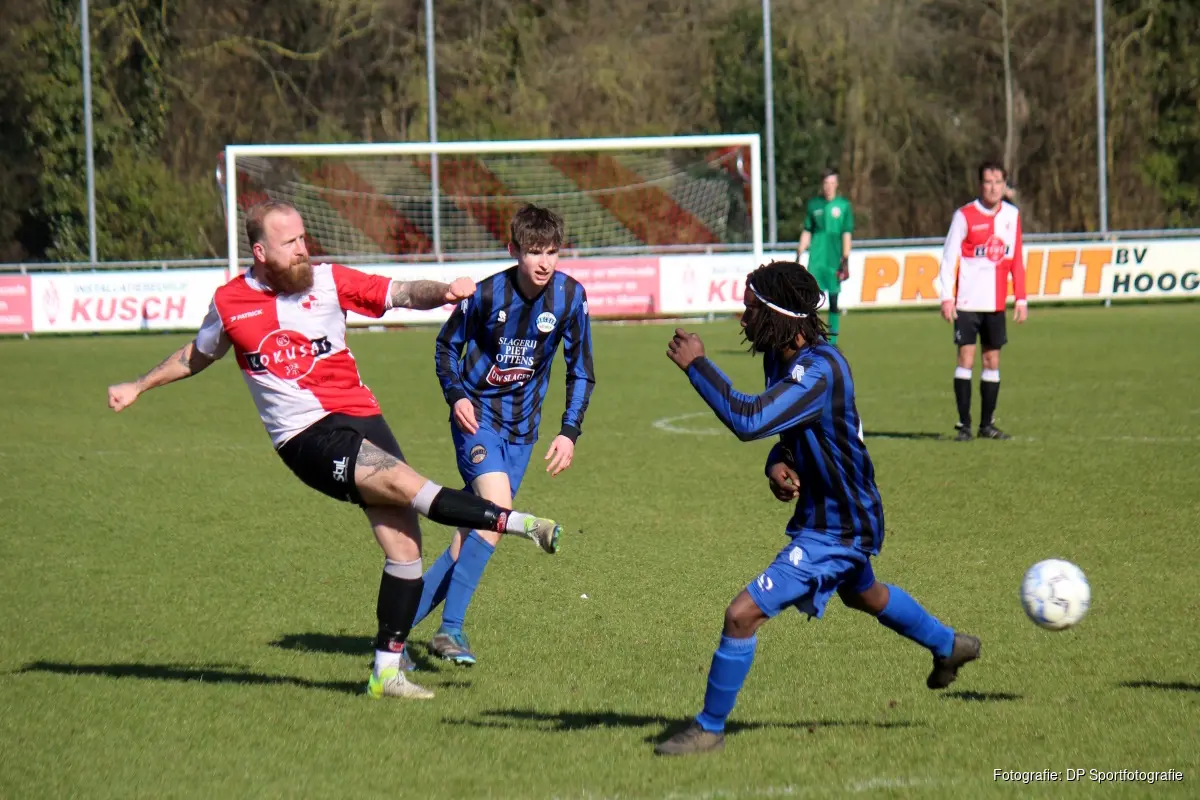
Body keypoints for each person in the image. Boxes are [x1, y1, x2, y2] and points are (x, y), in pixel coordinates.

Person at [106, 200, 564, 702]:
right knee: (405, 484)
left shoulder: (327, 280)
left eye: (303, 238)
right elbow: (197, 353)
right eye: (289, 243)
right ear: (260, 252)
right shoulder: (231, 302)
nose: (302, 249)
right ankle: (520, 524)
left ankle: (385, 672)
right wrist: (139, 384)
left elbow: (399, 292)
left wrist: (444, 292)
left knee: (404, 546)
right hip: (306, 435)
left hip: (362, 416)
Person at [655, 261, 980, 756]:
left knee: (741, 615)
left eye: (751, 309)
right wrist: (778, 462)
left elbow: (750, 419)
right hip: (828, 514)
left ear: (779, 316)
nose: (743, 319)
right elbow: (790, 430)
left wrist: (698, 365)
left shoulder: (821, 369)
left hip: (841, 525)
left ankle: (709, 728)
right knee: (864, 594)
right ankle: (949, 645)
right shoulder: (780, 357)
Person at [409, 204, 596, 667]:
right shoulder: (487, 294)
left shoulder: (570, 297)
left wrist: (569, 431)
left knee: (467, 540)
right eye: (534, 251)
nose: (544, 262)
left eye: (551, 252)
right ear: (514, 250)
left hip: (523, 432)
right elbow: (446, 347)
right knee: (496, 516)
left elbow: (581, 369)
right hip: (478, 422)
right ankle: (450, 630)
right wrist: (456, 395)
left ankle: (391, 634)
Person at [938, 161, 1028, 442]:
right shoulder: (964, 215)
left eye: (998, 182)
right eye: (988, 182)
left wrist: (1021, 298)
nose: (993, 187)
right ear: (980, 185)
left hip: (996, 303)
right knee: (966, 358)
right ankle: (964, 425)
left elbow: (1016, 260)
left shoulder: (1012, 216)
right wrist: (946, 297)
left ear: (1004, 185)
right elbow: (949, 258)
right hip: (967, 302)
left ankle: (987, 425)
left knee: (992, 360)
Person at [795, 167, 854, 345]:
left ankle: (833, 341)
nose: (829, 186)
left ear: (836, 184)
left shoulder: (844, 206)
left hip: (834, 258)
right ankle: (812, 337)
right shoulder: (814, 205)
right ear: (822, 184)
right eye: (826, 183)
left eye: (832, 183)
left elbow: (846, 233)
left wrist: (845, 258)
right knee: (812, 300)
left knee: (834, 300)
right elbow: (807, 230)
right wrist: (799, 252)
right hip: (817, 258)